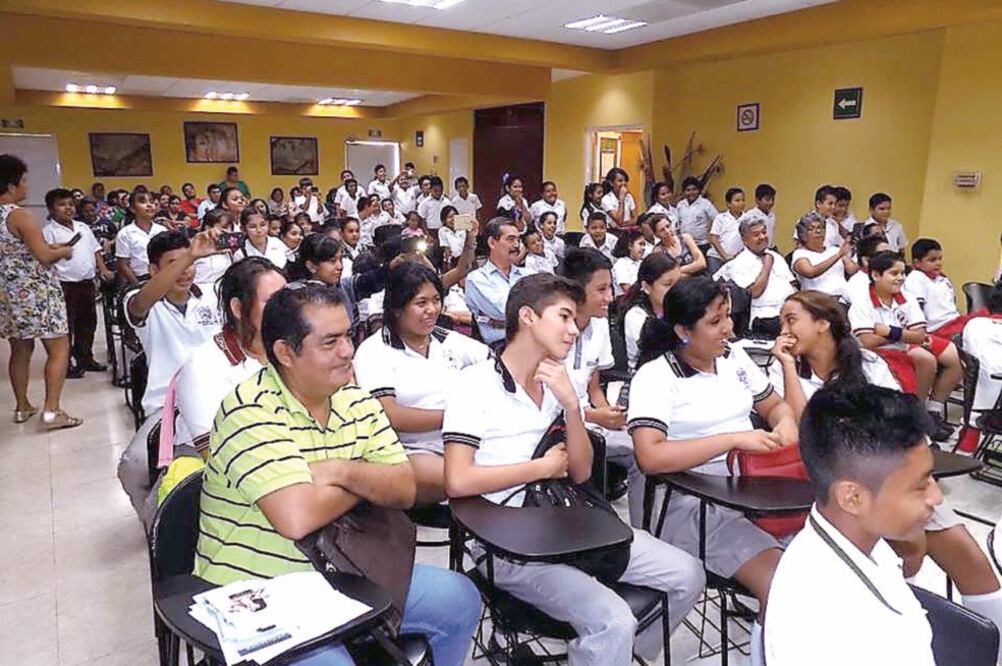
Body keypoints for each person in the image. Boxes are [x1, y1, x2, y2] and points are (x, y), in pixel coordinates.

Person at [194, 282, 481, 666]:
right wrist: (367, 480)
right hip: (259, 590)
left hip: (344, 570)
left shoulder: (355, 399)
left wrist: (339, 471)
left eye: (347, 335)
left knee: (458, 600)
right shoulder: (250, 410)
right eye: (330, 343)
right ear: (285, 353)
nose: (348, 351)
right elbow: (296, 517)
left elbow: (403, 487)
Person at [443, 273, 704, 666]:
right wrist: (539, 468)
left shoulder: (558, 382)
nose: (573, 330)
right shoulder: (474, 383)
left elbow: (580, 472)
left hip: (566, 521)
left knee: (687, 574)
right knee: (613, 620)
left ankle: (616, 659)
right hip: (506, 539)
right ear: (528, 317)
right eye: (564, 317)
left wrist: (570, 405)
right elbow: (457, 480)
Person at [771, 290, 1002, 642]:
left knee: (970, 561)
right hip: (840, 491)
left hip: (896, 476)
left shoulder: (867, 364)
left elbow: (903, 422)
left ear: (822, 324)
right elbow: (806, 432)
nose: (783, 329)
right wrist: (787, 366)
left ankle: (994, 645)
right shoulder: (784, 369)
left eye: (791, 319)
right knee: (908, 552)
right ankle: (896, 611)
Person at [628, 276, 798, 665]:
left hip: (750, 491)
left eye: (727, 317)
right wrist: (732, 440)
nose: (729, 329)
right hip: (688, 506)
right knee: (785, 588)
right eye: (716, 321)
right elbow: (650, 457)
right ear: (683, 331)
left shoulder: (734, 359)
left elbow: (774, 405)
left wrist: (784, 422)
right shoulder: (657, 377)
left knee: (826, 568)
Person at [765, 385, 941, 666]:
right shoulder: (829, 622)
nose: (936, 497)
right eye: (920, 486)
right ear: (852, 497)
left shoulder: (862, 539)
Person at [353, 263, 490, 504]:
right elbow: (390, 415)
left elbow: (496, 365)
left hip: (467, 439)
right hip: (411, 450)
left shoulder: (445, 340)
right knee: (467, 477)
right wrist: (458, 416)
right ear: (397, 308)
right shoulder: (374, 351)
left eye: (436, 300)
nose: (432, 310)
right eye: (421, 303)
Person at [560, 249, 646, 525]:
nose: (610, 297)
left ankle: (643, 528)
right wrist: (595, 417)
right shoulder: (550, 329)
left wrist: (611, 415)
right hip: (557, 427)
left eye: (610, 287)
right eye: (602, 289)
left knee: (642, 448)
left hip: (589, 420)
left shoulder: (599, 326)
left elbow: (593, 388)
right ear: (575, 291)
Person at [0, 155, 80, 429]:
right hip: (37, 292)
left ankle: (22, 406)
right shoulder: (19, 215)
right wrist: (65, 250)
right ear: (11, 186)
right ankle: (52, 412)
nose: (26, 187)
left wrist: (50, 249)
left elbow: (21, 251)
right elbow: (44, 256)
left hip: (9, 293)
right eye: (23, 181)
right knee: (59, 348)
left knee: (20, 348)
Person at [172, 258, 286, 451]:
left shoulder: (294, 350)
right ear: (238, 308)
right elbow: (215, 453)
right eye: (272, 301)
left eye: (287, 298)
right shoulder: (203, 365)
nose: (285, 309)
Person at [848, 251, 962, 440]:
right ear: (876, 275)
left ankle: (927, 410)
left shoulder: (906, 298)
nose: (901, 278)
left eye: (903, 273)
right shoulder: (862, 302)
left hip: (900, 346)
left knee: (950, 357)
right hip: (874, 354)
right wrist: (902, 334)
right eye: (894, 273)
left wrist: (887, 331)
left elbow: (919, 335)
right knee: (925, 359)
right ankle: (913, 415)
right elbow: (867, 341)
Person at [42, 188, 112, 376]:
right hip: (64, 285)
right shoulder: (49, 232)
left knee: (88, 322)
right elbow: (46, 257)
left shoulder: (83, 227)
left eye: (71, 204)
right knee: (68, 326)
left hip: (86, 282)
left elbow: (95, 250)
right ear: (51, 208)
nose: (68, 208)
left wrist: (103, 268)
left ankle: (85, 358)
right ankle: (66, 362)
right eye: (62, 205)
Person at [713, 218, 797, 336]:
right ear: (745, 240)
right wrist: (767, 265)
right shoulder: (738, 263)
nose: (762, 237)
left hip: (788, 310)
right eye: (756, 235)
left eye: (764, 232)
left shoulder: (776, 256)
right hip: (764, 316)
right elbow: (754, 292)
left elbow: (792, 285)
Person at [464, 218, 527, 347]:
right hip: (500, 347)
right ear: (492, 242)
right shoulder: (477, 279)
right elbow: (502, 310)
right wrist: (528, 314)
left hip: (531, 342)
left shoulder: (528, 274)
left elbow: (543, 307)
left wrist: (504, 323)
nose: (516, 245)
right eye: (510, 239)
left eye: (518, 240)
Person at [622, 253, 681, 371]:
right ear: (647, 287)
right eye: (668, 284)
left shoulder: (682, 307)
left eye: (678, 283)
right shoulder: (636, 316)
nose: (676, 290)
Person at [904, 238, 973, 339]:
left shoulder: (943, 279)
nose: (938, 263)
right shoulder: (916, 277)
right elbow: (916, 309)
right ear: (917, 263)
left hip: (955, 321)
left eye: (940, 259)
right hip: (938, 328)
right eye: (932, 260)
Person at [791, 214, 857, 302]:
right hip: (817, 302)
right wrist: (838, 255)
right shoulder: (800, 254)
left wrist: (862, 253)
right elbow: (811, 272)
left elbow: (852, 270)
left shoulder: (834, 250)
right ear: (802, 235)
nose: (818, 231)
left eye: (820, 227)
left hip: (842, 298)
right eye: (811, 229)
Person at [115, 189, 170, 284]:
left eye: (151, 202)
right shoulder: (125, 233)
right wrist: (138, 286)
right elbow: (123, 266)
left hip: (163, 276)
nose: (149, 205)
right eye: (143, 202)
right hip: (139, 279)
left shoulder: (162, 230)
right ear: (132, 208)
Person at [707, 187, 746, 273]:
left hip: (735, 259)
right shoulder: (721, 218)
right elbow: (714, 238)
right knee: (714, 283)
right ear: (728, 204)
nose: (741, 203)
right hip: (716, 257)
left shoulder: (747, 219)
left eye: (743, 200)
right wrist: (725, 256)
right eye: (737, 200)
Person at [676, 176, 718, 256]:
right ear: (684, 192)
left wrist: (713, 235)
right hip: (684, 245)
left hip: (702, 245)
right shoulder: (680, 205)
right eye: (688, 190)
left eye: (694, 189)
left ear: (699, 190)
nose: (691, 192)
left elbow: (717, 220)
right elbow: (677, 224)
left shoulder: (705, 204)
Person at [844, 233, 890, 305]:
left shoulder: (894, 278)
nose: (891, 259)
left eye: (891, 254)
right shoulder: (857, 285)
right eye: (884, 255)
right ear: (866, 261)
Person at [738, 183, 777, 248]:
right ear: (757, 200)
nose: (771, 203)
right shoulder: (750, 216)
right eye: (767, 199)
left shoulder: (772, 216)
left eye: (772, 199)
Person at [611, 228, 646, 296]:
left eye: (644, 244)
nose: (643, 248)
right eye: (640, 244)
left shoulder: (642, 263)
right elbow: (627, 289)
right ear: (630, 245)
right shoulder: (621, 264)